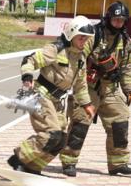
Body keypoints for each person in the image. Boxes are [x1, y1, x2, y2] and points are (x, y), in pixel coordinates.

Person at [7, 15, 96, 174]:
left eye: (87, 39)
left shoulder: (81, 58)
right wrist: (27, 76)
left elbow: (80, 86)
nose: (85, 42)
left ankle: (32, 167)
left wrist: (87, 105)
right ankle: (18, 158)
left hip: (57, 102)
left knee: (61, 140)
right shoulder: (56, 49)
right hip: (42, 96)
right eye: (82, 38)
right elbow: (30, 60)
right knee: (51, 134)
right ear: (71, 34)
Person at [59, 1, 131, 177]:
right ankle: (69, 162)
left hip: (110, 89)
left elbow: (126, 67)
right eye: (115, 19)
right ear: (108, 18)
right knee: (80, 124)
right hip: (89, 86)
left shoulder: (124, 41)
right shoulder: (92, 35)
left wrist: (128, 89)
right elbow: (78, 56)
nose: (118, 23)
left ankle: (118, 163)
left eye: (121, 20)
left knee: (120, 121)